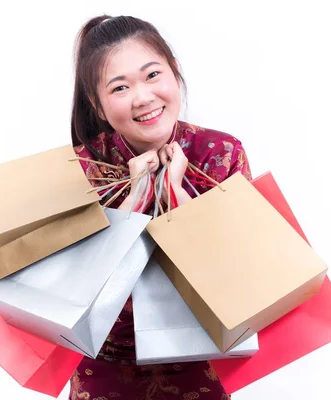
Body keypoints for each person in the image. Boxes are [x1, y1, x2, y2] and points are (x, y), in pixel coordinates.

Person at [70, 14, 252, 400]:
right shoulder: (81, 169)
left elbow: (241, 278)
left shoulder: (222, 154)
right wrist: (134, 201)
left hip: (203, 361)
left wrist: (175, 192)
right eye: (120, 87)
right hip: (105, 366)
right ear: (98, 105)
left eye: (152, 75)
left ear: (175, 73)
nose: (143, 97)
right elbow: (73, 296)